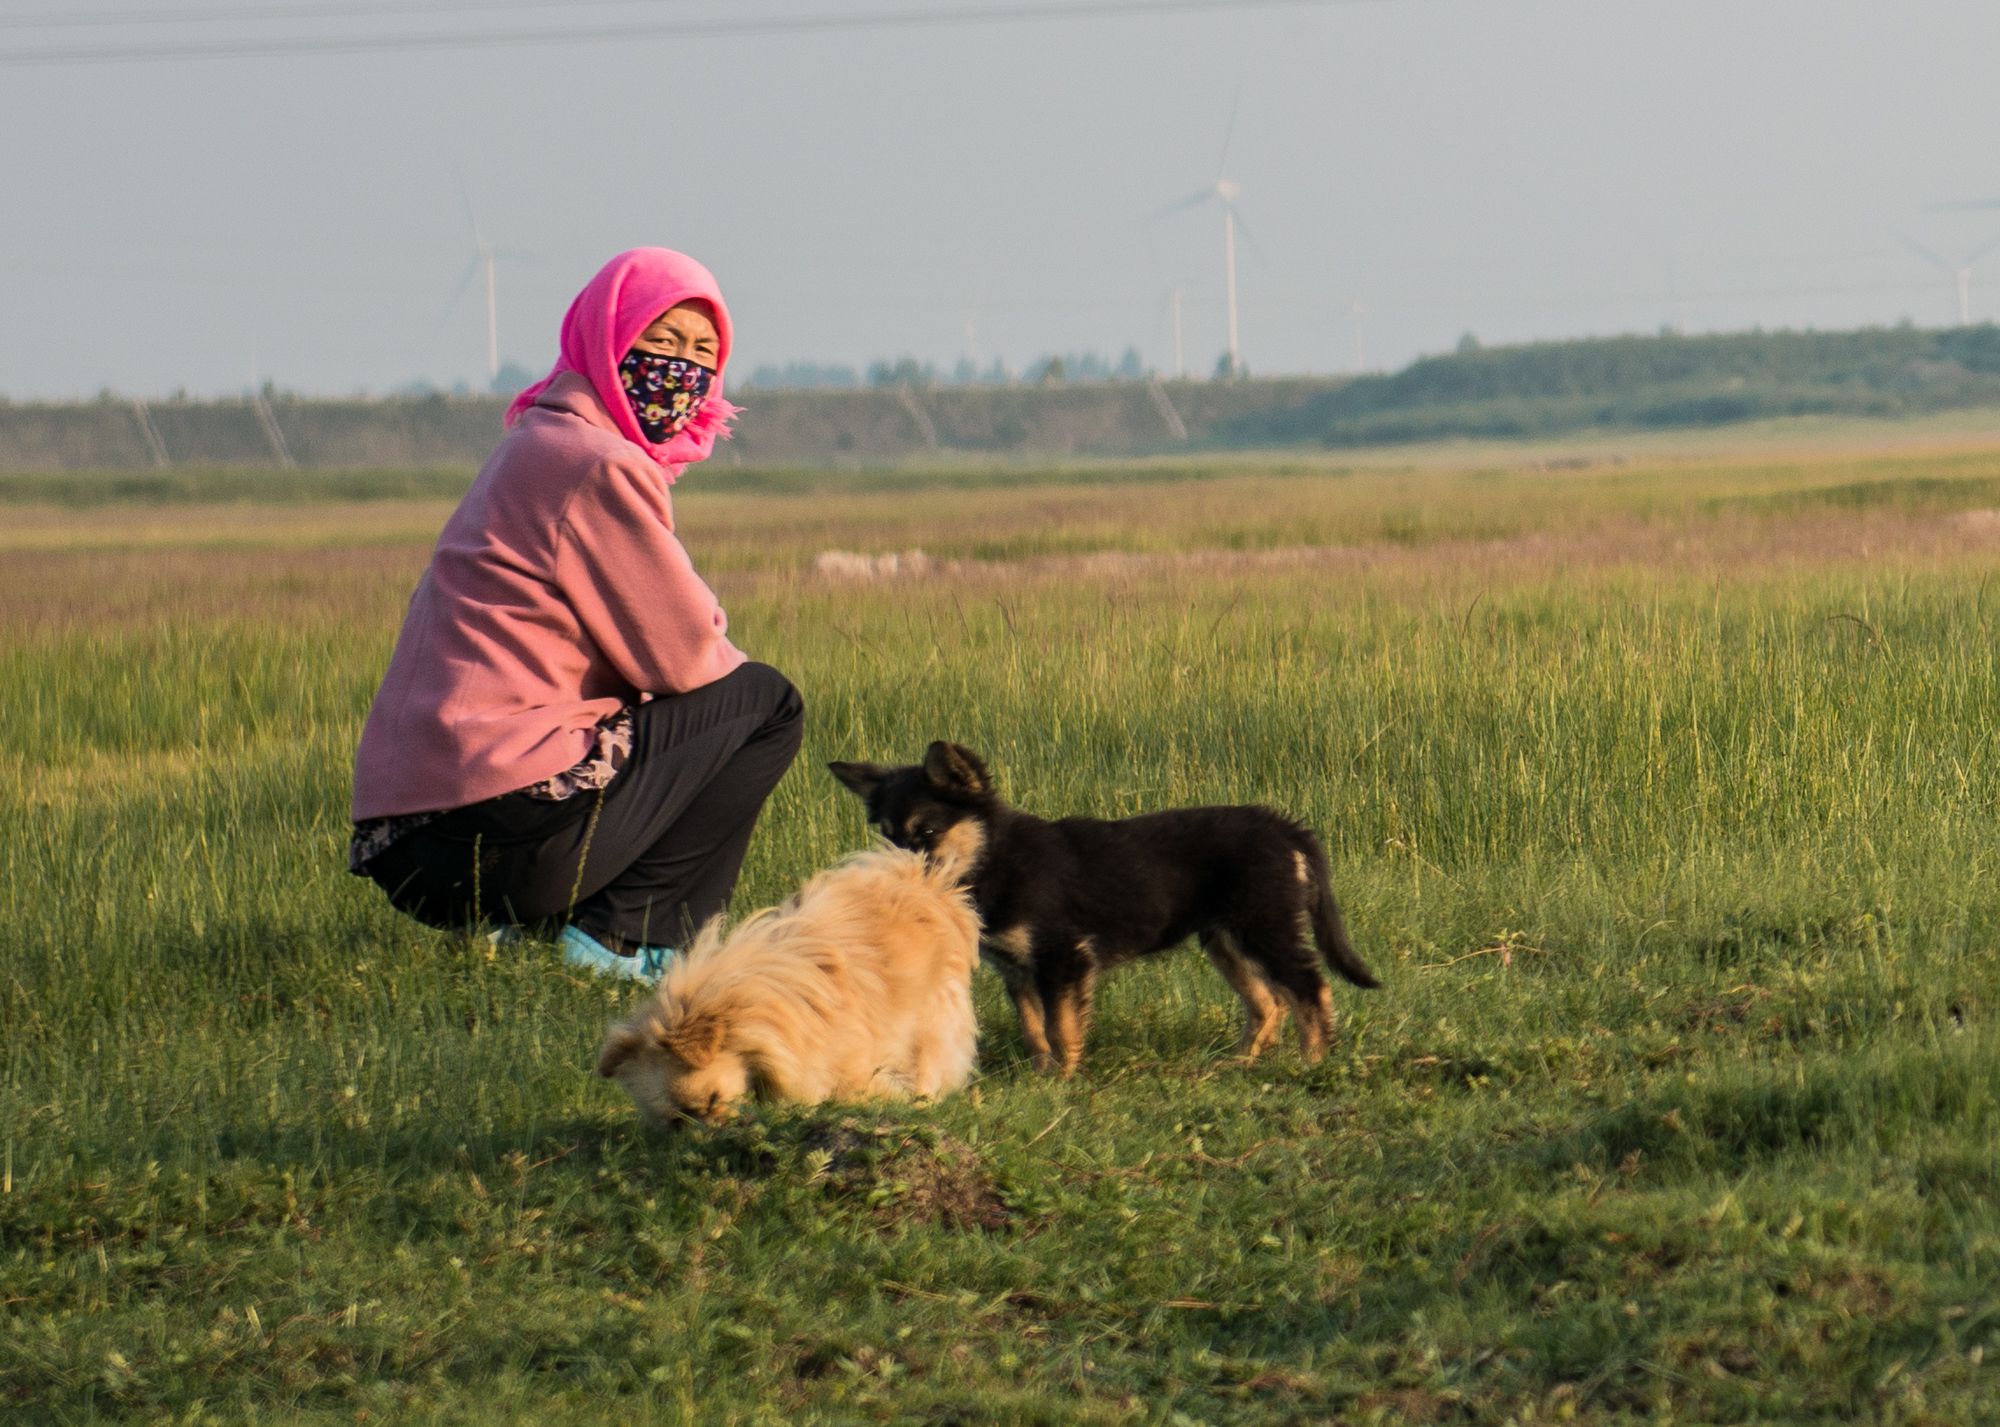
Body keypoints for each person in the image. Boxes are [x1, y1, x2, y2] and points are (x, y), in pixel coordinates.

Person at [349, 248, 802, 982]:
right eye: (660, 342)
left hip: (409, 843)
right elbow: (687, 656)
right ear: (608, 339)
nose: (681, 369)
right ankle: (620, 942)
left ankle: (538, 929)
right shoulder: (597, 464)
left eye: (702, 353)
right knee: (764, 703)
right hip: (491, 826)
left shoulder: (533, 444)